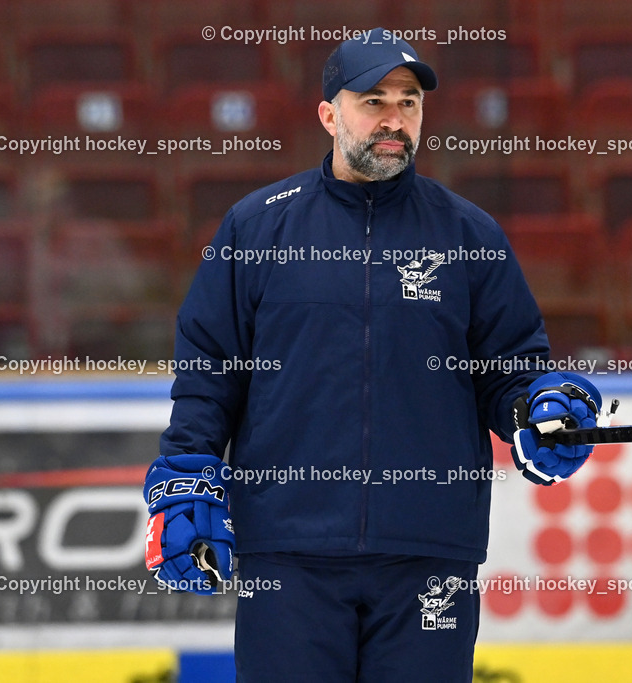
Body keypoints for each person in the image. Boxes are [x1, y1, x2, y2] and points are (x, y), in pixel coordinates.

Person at [142, 28, 603, 682]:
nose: (395, 118)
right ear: (329, 114)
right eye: (374, 100)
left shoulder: (469, 233)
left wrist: (540, 409)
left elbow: (510, 372)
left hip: (429, 552)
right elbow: (211, 371)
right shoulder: (256, 226)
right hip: (289, 550)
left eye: (409, 102)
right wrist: (186, 472)